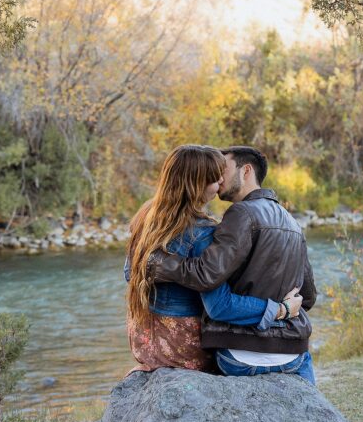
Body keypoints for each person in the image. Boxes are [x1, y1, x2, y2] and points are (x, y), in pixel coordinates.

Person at [125, 145, 304, 374]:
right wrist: (280, 309)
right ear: (196, 184)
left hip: (143, 341)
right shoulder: (203, 232)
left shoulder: (146, 217)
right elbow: (221, 306)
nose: (221, 182)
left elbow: (129, 274)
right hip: (181, 348)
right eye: (214, 178)